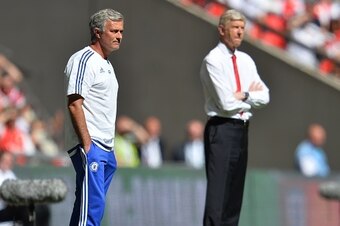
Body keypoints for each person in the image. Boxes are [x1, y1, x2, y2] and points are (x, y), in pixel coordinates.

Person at [200, 9, 270, 226]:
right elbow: (226, 103)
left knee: (234, 194)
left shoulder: (246, 60)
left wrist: (245, 94)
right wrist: (248, 98)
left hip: (241, 128)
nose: (240, 32)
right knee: (218, 195)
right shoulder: (213, 60)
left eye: (242, 28)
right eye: (235, 28)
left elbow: (265, 96)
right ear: (222, 30)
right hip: (221, 128)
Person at [64, 8, 124, 226]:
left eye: (121, 31)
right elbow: (74, 103)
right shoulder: (84, 59)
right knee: (92, 209)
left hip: (106, 147)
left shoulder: (107, 64)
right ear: (97, 32)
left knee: (87, 205)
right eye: (114, 31)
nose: (119, 36)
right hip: (91, 145)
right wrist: (88, 145)